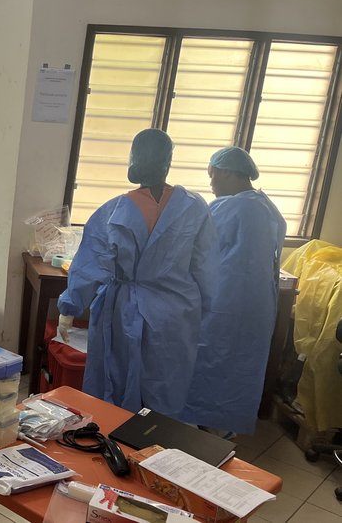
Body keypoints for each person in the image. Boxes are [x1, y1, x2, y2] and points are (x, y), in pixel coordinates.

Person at [57, 129, 217, 419]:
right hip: (176, 311)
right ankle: (159, 450)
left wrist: (69, 308)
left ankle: (116, 441)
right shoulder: (195, 208)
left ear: (133, 160)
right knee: (167, 383)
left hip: (124, 310)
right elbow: (206, 267)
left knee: (117, 383)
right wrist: (204, 307)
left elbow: (89, 266)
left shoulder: (114, 211)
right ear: (168, 161)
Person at [182, 147, 286, 436]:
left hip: (223, 303)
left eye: (213, 176)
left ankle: (204, 427)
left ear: (228, 173)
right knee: (240, 367)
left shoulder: (230, 208)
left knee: (210, 360)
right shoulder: (266, 206)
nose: (211, 184)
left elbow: (196, 249)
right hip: (258, 305)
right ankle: (225, 427)